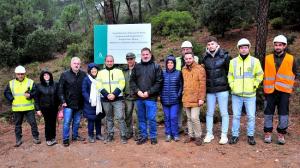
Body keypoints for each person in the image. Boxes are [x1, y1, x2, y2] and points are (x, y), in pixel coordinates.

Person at [263, 35, 298, 145]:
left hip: (284, 92)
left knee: (283, 113)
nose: (278, 47)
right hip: (270, 90)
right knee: (268, 112)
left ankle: (281, 134)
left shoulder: (291, 59)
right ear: (274, 45)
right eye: (276, 45)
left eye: (280, 45)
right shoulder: (267, 58)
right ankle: (268, 132)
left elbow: (295, 73)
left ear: (284, 46)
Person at [228, 38, 263, 145]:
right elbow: (230, 76)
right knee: (236, 116)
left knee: (251, 116)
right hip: (236, 94)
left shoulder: (255, 61)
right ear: (238, 49)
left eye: (245, 47)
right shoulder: (233, 62)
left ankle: (250, 135)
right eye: (241, 48)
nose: (243, 49)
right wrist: (233, 86)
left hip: (250, 94)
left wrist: (255, 84)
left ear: (249, 48)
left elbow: (260, 75)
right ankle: (234, 135)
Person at [130, 47, 162, 145]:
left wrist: (148, 92)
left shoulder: (156, 66)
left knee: (151, 118)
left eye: (147, 54)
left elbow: (159, 82)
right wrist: (137, 91)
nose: (145, 56)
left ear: (150, 54)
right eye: (143, 54)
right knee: (141, 118)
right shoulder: (137, 67)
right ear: (141, 55)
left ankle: (153, 136)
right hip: (139, 98)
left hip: (151, 98)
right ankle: (143, 136)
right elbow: (132, 81)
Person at [201, 36, 230, 145]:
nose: (210, 46)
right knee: (209, 113)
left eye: (212, 44)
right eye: (208, 44)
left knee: (224, 113)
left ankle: (224, 135)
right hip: (210, 90)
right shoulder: (204, 58)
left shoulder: (225, 56)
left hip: (222, 89)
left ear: (217, 45)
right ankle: (209, 133)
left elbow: (229, 72)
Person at [4, 65, 40, 147]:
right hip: (17, 109)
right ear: (16, 74)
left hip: (29, 108)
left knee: (33, 123)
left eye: (22, 74)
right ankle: (18, 139)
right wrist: (11, 99)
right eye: (18, 74)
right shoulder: (11, 83)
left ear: (25, 74)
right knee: (17, 125)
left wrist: (30, 95)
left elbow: (36, 93)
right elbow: (6, 93)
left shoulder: (30, 82)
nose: (20, 75)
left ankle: (36, 137)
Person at [97, 55, 127, 144]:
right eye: (108, 61)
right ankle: (110, 134)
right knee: (109, 118)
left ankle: (123, 135)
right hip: (106, 99)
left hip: (117, 98)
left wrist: (114, 94)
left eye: (111, 61)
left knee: (121, 117)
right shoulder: (100, 72)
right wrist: (107, 95)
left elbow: (122, 83)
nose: (109, 63)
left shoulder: (119, 71)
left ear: (113, 62)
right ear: (105, 62)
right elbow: (99, 85)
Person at [59, 57, 86, 147]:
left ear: (80, 64)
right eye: (75, 63)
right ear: (71, 64)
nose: (76, 65)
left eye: (78, 63)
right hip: (68, 103)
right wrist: (63, 101)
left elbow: (86, 88)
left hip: (79, 103)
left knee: (77, 121)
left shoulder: (83, 74)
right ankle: (66, 139)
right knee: (67, 122)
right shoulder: (64, 74)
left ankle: (75, 136)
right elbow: (60, 89)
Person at [175, 41, 200, 134]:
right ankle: (179, 127)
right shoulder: (177, 60)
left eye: (187, 49)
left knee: (191, 112)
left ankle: (192, 130)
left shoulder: (196, 59)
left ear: (191, 50)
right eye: (184, 49)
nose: (185, 51)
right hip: (179, 87)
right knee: (179, 109)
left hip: (191, 89)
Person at [182, 52, 206, 146]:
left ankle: (198, 136)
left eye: (189, 58)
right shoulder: (183, 69)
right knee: (188, 118)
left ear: (193, 58)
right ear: (184, 60)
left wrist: (201, 98)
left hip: (196, 98)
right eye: (186, 59)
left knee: (194, 117)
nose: (188, 60)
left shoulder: (200, 69)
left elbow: (202, 84)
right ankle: (191, 135)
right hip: (187, 97)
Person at [161, 55, 183, 142]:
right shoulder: (162, 73)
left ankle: (175, 134)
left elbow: (181, 86)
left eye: (172, 63)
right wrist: (161, 95)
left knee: (173, 117)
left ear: (174, 64)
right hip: (165, 99)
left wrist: (178, 95)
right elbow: (160, 86)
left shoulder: (178, 73)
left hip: (175, 100)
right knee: (167, 117)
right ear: (166, 64)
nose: (170, 64)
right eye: (168, 63)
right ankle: (168, 134)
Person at [82, 63, 105, 143]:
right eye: (92, 69)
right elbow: (84, 91)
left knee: (98, 119)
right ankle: (91, 135)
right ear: (89, 71)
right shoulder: (86, 79)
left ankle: (98, 134)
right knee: (91, 120)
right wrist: (89, 99)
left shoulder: (99, 78)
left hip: (99, 102)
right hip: (90, 103)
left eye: (95, 69)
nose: (94, 70)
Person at [35, 70, 59, 146]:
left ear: (50, 76)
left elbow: (58, 95)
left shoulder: (55, 84)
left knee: (53, 122)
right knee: (48, 123)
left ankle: (53, 137)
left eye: (48, 75)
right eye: (44, 75)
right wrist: (37, 109)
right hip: (45, 108)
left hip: (54, 107)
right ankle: (48, 139)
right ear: (42, 77)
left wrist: (59, 104)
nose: (46, 76)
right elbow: (36, 99)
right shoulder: (39, 86)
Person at [123, 52, 139, 140]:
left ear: (134, 59)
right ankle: (129, 132)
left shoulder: (139, 68)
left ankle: (137, 133)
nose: (129, 60)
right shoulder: (124, 70)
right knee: (128, 115)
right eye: (128, 59)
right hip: (127, 97)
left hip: (137, 97)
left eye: (131, 59)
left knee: (138, 116)